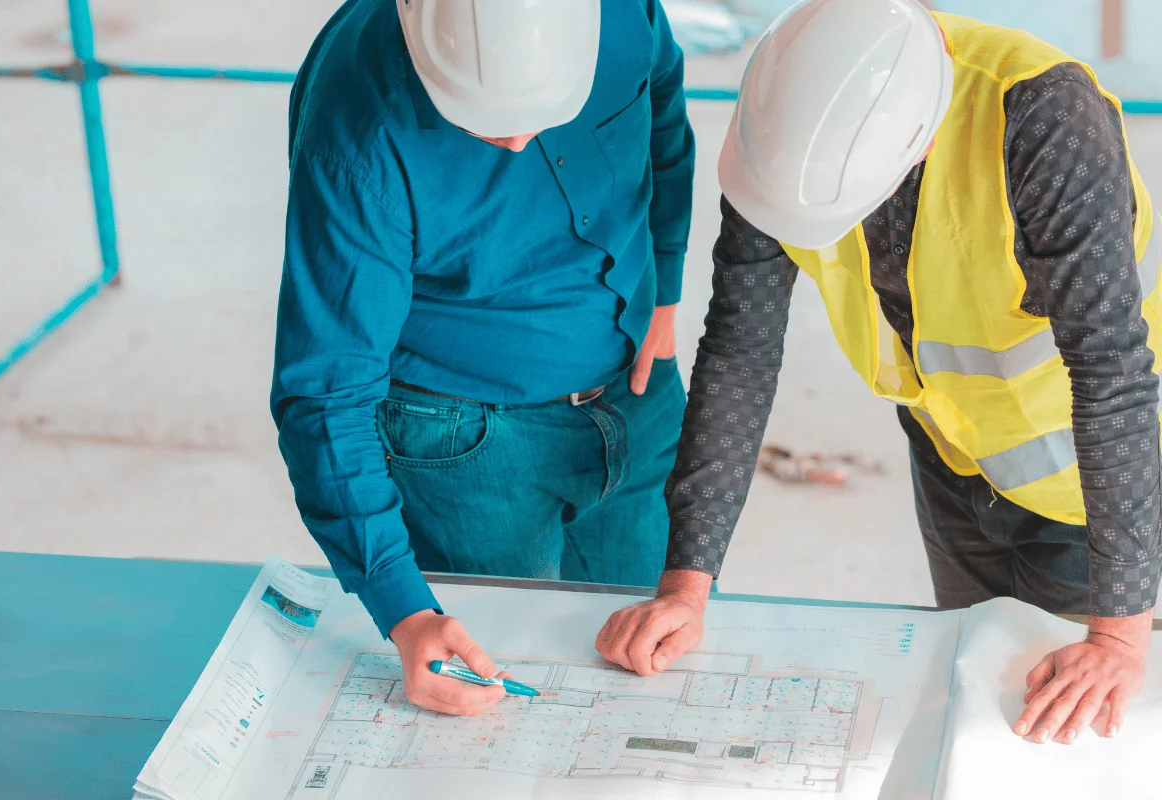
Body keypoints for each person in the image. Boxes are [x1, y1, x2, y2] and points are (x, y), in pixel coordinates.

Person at [597, 0, 1162, 746]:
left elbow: (1111, 374)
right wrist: (686, 588)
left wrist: (1121, 635)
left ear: (919, 140)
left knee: (1059, 737)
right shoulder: (787, 108)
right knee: (973, 688)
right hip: (952, 462)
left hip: (1094, 488)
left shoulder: (1043, 115)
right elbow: (740, 349)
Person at [272, 0, 695, 717]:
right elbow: (326, 394)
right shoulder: (356, 127)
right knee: (507, 695)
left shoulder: (624, 15)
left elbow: (662, 122)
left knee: (642, 670)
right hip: (465, 447)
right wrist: (404, 610)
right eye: (477, 118)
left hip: (639, 391)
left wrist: (664, 286)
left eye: (544, 108)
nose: (514, 136)